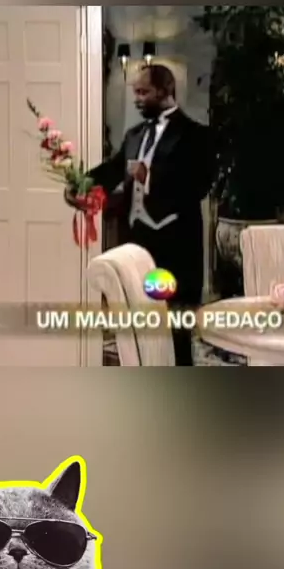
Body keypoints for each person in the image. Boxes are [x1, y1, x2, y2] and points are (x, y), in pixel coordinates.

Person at [84, 63, 213, 366]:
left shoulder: (194, 135)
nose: (137, 99)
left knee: (175, 327)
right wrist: (80, 184)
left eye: (144, 92)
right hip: (137, 243)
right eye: (135, 92)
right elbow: (113, 170)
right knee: (138, 326)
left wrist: (150, 176)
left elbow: (199, 185)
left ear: (165, 91)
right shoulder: (134, 135)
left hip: (174, 246)